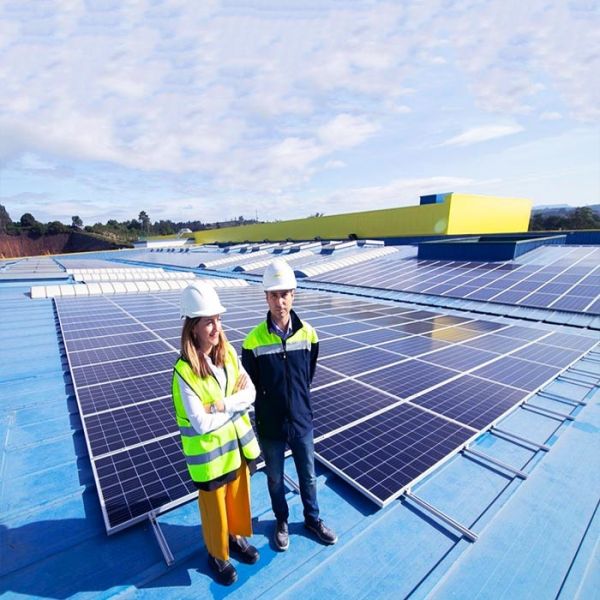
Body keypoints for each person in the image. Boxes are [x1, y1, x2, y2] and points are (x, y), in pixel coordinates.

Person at [242, 259, 337, 551]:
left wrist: (296, 402)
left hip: (301, 420)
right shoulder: (252, 341)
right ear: (266, 297)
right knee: (274, 479)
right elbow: (251, 386)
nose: (279, 301)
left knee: (308, 476)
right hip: (270, 424)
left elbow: (307, 375)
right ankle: (281, 521)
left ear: (293, 295)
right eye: (274, 295)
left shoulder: (309, 334)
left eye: (284, 294)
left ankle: (312, 519)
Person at [172, 281, 261, 586]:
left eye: (218, 319)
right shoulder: (184, 372)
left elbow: (250, 393)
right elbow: (200, 423)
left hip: (237, 449)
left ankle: (235, 538)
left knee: (236, 500)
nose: (216, 327)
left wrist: (221, 405)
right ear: (193, 327)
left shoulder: (229, 353)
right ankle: (217, 555)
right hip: (210, 459)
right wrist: (235, 405)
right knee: (215, 513)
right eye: (208, 321)